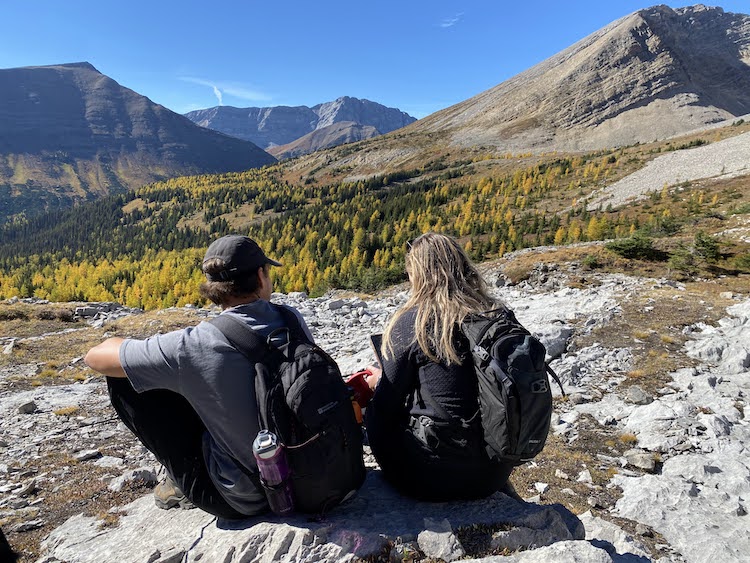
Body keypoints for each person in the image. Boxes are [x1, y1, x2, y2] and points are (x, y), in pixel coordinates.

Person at [84, 234, 315, 519]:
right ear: (260, 275)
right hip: (313, 472)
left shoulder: (193, 344)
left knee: (124, 378)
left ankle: (179, 482)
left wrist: (124, 341)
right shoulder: (292, 318)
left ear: (212, 287)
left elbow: (94, 358)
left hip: (245, 499)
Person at [363, 232, 517, 501]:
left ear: (419, 274)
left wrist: (380, 382)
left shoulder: (416, 322)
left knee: (376, 413)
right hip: (496, 473)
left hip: (433, 478)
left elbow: (386, 408)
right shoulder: (497, 313)